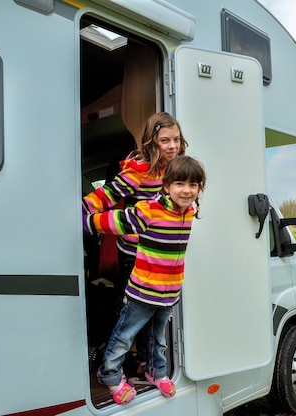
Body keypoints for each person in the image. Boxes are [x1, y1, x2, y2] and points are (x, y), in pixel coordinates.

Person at [83, 155, 207, 405]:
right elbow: (116, 221)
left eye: (193, 185)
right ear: (167, 186)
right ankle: (108, 374)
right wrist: (88, 221)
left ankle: (156, 371)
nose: (186, 190)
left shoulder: (189, 211)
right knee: (125, 335)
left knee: (157, 337)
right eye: (180, 184)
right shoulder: (149, 210)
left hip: (169, 292)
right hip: (142, 290)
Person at [83, 112, 189, 379]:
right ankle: (109, 365)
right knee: (126, 308)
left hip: (160, 254)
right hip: (134, 253)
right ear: (152, 141)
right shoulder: (140, 169)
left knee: (155, 312)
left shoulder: (176, 169)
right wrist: (81, 211)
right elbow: (110, 193)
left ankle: (144, 362)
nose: (172, 146)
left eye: (176, 139)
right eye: (165, 140)